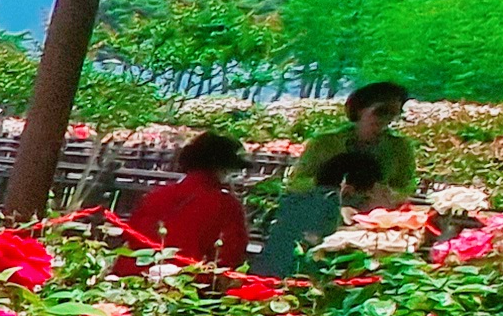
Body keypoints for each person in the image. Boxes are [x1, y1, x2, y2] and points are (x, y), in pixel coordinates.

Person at [252, 145, 388, 279]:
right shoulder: (329, 201)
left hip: (269, 268)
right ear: (347, 186)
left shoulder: (306, 196)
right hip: (291, 273)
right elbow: (323, 240)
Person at [121, 131, 253, 267]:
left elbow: (131, 237)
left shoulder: (157, 194)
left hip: (135, 273)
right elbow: (230, 254)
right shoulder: (226, 205)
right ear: (225, 168)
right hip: (190, 279)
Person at [295, 82, 416, 201]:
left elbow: (406, 187)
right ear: (359, 110)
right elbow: (295, 183)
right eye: (381, 112)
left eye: (394, 114)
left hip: (375, 214)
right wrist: (324, 184)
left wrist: (388, 193)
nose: (387, 119)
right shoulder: (323, 143)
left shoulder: (400, 148)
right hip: (324, 208)